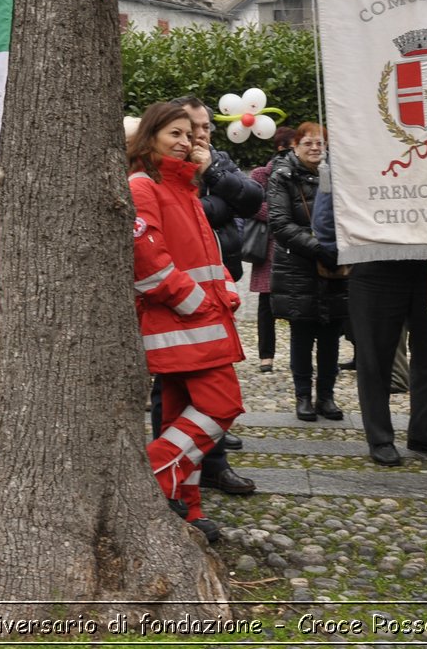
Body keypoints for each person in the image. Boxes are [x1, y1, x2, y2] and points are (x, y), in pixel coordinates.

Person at [127, 101, 245, 544]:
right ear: (151, 136)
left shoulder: (184, 188)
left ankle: (186, 508)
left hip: (202, 319)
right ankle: (152, 478)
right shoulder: (144, 186)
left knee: (178, 414)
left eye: (189, 133)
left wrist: (225, 291)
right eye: (173, 133)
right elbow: (147, 258)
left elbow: (204, 257)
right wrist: (193, 299)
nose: (184, 141)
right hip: (183, 321)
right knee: (221, 404)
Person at [163, 95, 260, 496]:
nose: (200, 135)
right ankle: (170, 470)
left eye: (205, 128)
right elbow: (187, 213)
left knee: (214, 384)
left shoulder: (215, 159)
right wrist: (218, 204)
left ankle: (213, 464)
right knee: (172, 390)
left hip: (220, 286)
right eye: (191, 128)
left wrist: (214, 173)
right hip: (180, 296)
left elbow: (252, 200)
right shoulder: (159, 165)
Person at [311, 171, 427, 465]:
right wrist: (343, 252)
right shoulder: (354, 136)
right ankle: (380, 437)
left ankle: (425, 430)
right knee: (374, 358)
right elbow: (326, 207)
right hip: (374, 259)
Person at [266, 123, 347, 422]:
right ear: (295, 146)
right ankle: (303, 396)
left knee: (331, 335)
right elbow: (280, 223)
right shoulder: (282, 176)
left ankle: (326, 395)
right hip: (298, 265)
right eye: (308, 143)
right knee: (302, 333)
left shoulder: (338, 175)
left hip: (335, 266)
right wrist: (318, 246)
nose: (315, 148)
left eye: (320, 143)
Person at [247, 126, 295, 374]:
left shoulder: (299, 171)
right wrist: (281, 217)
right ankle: (266, 356)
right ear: (280, 147)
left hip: (294, 243)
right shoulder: (260, 174)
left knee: (298, 300)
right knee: (266, 302)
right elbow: (251, 205)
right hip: (268, 245)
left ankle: (298, 356)